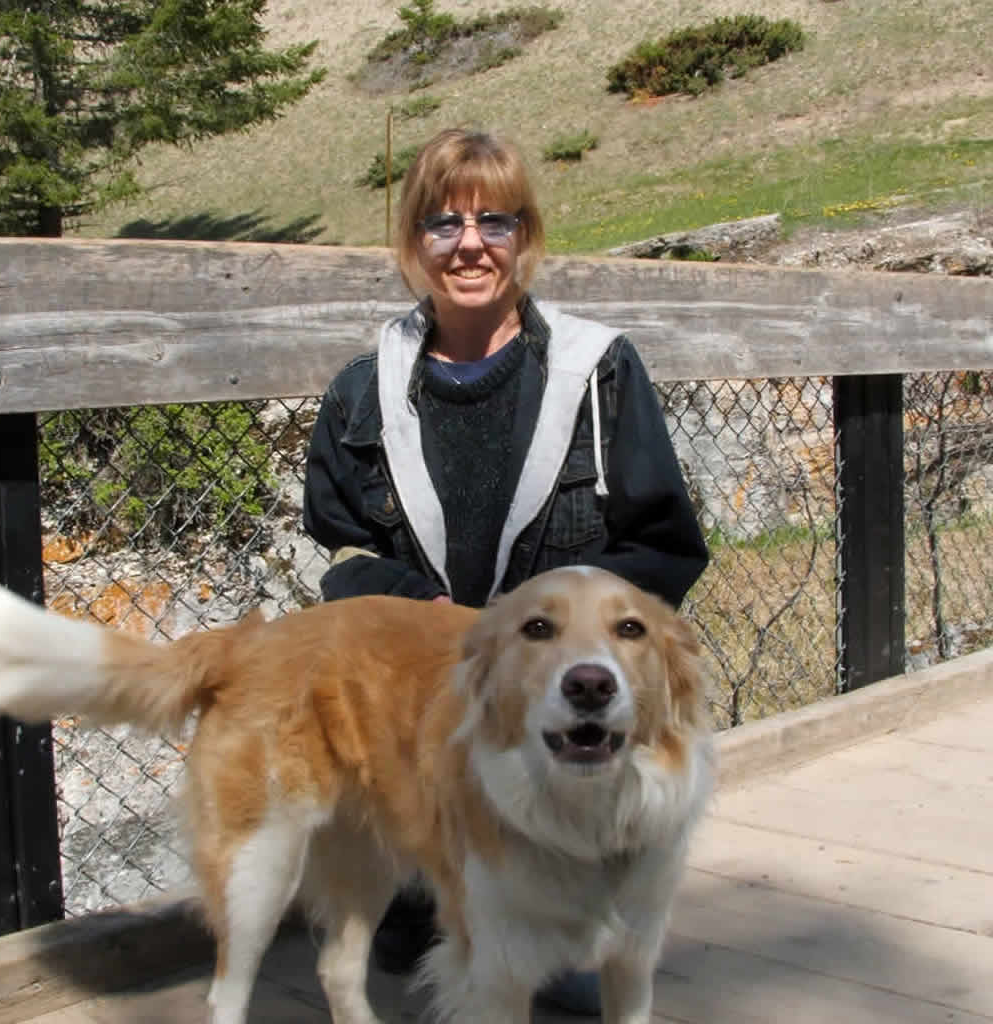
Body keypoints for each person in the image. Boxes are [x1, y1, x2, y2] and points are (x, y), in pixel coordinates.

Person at [301, 128, 709, 1017]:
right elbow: (341, 555)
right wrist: (443, 619)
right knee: (425, 937)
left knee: (544, 945)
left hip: (567, 722)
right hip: (430, 708)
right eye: (443, 223)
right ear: (413, 242)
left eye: (496, 219)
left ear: (527, 236)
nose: (470, 243)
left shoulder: (599, 372)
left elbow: (666, 543)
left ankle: (566, 898)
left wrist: (545, 627)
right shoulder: (359, 392)